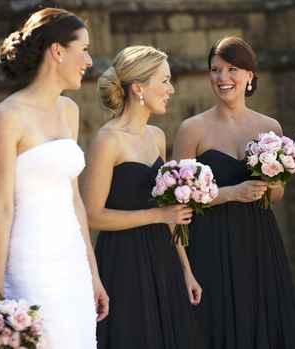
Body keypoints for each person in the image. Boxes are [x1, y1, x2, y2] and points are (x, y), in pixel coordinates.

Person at [0, 8, 108, 348]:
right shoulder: (8, 115)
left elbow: (75, 201)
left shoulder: (70, 110)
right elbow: (1, 206)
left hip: (73, 264)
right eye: (82, 49)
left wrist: (93, 273)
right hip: (31, 264)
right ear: (57, 51)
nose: (88, 59)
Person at [172, 36, 295, 349]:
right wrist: (232, 193)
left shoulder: (269, 126)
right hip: (210, 243)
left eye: (232, 69)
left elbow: (279, 193)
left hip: (259, 241)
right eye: (215, 70)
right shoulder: (192, 129)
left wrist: (272, 185)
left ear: (249, 76)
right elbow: (178, 198)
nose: (222, 78)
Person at [84, 45, 202, 349]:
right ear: (138, 88)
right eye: (164, 81)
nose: (171, 89)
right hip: (124, 263)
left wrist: (187, 271)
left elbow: (170, 212)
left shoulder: (157, 136)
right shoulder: (107, 140)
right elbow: (92, 216)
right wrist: (158, 216)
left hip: (164, 261)